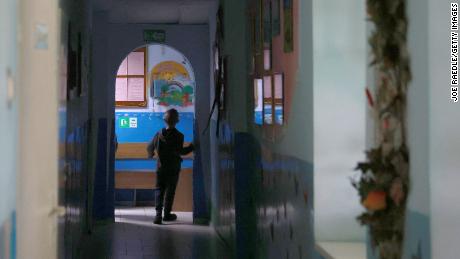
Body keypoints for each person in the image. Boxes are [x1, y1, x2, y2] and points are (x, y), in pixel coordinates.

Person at [147, 108, 194, 224]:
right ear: (177, 120)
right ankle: (167, 214)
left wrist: (151, 154)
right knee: (170, 191)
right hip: (173, 168)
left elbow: (149, 147)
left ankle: (158, 215)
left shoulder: (158, 134)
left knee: (159, 190)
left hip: (160, 168)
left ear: (165, 120)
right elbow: (180, 151)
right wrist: (192, 146)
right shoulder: (179, 136)